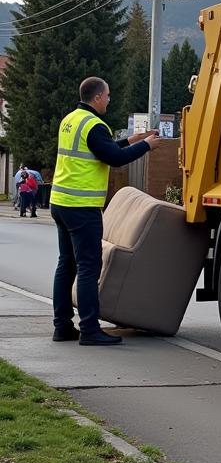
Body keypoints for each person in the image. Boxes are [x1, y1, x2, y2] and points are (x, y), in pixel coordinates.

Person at [50, 77, 164, 345]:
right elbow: (113, 158)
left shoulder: (71, 119)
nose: (109, 100)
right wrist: (147, 145)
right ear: (98, 97)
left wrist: (133, 139)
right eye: (108, 95)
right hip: (82, 207)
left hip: (61, 202)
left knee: (66, 264)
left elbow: (102, 150)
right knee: (89, 266)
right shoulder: (95, 125)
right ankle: (90, 330)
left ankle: (62, 326)